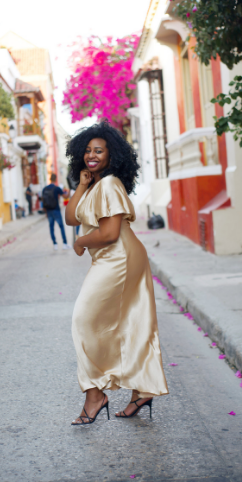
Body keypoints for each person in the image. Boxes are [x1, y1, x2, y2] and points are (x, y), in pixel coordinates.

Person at [64, 122, 168, 425]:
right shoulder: (95, 184)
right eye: (87, 151)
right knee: (132, 322)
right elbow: (72, 217)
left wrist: (82, 242)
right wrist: (82, 184)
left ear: (113, 155)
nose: (91, 155)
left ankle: (95, 396)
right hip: (111, 258)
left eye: (99, 150)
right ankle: (142, 391)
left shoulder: (109, 185)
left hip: (119, 257)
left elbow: (109, 233)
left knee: (83, 319)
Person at [41, 174, 69, 250]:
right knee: (61, 227)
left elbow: (43, 201)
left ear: (50, 179)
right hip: (56, 209)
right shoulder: (57, 188)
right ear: (55, 179)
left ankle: (55, 244)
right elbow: (65, 196)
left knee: (51, 227)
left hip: (49, 211)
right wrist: (69, 191)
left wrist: (46, 212)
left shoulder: (45, 189)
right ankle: (64, 243)